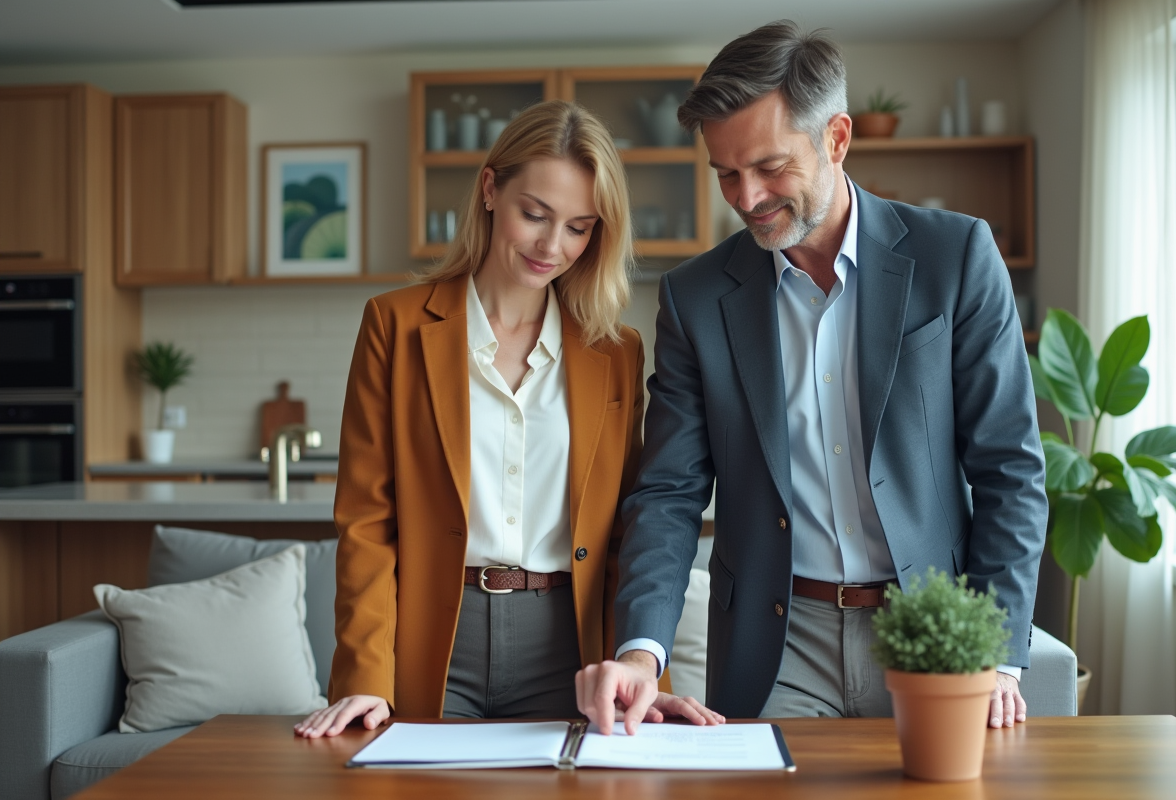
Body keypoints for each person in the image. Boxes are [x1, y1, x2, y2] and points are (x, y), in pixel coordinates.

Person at [576, 22, 1047, 735]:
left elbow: (1009, 466)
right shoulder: (695, 299)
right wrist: (642, 653)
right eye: (726, 173)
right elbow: (669, 492)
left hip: (928, 633)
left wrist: (1000, 656)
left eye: (769, 166)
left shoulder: (956, 257)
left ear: (835, 139)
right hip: (776, 645)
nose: (747, 195)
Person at [296, 100, 721, 737]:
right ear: (491, 189)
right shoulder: (396, 324)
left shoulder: (616, 352)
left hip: (570, 646)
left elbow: (630, 531)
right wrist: (364, 678)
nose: (554, 246)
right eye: (535, 215)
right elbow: (366, 519)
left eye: (579, 227)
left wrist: (645, 676)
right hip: (434, 639)